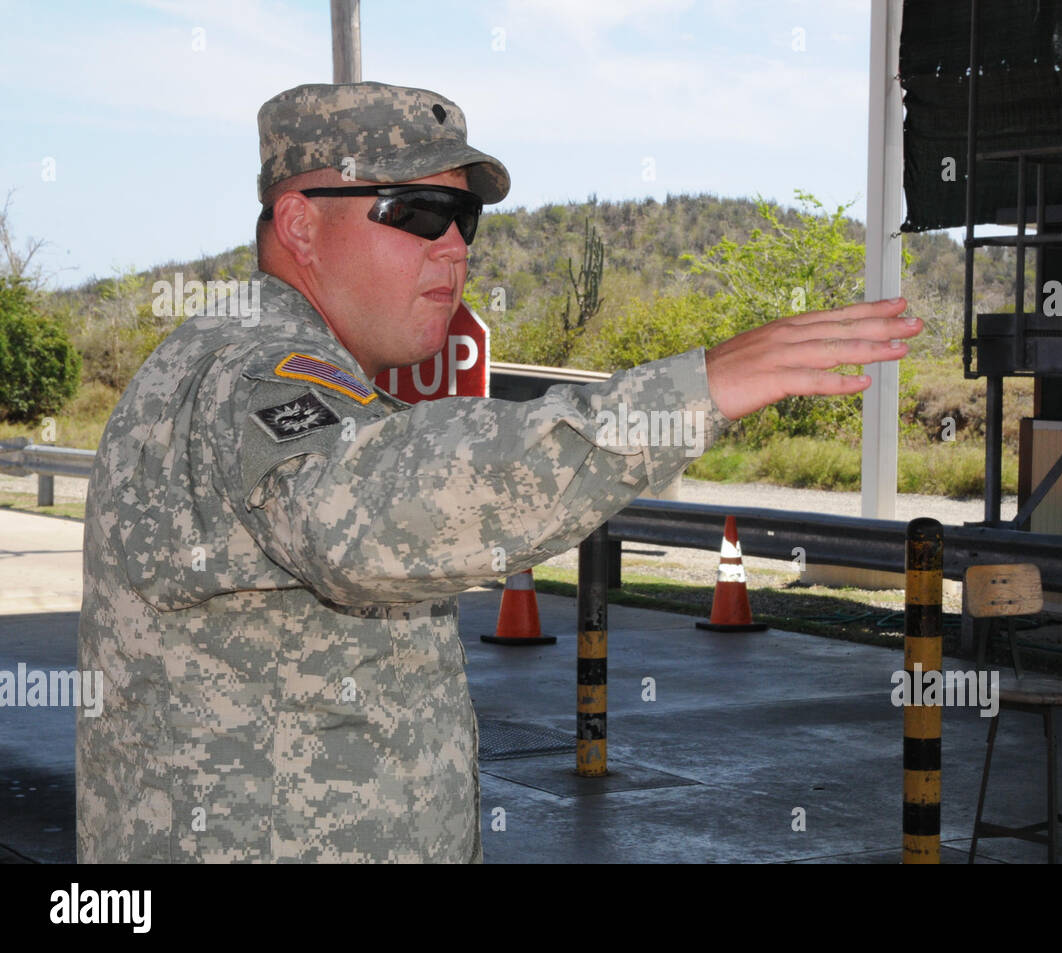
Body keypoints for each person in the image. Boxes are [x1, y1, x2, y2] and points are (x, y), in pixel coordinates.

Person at [76, 81, 922, 862]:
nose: (453, 249)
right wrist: (688, 392)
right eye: (416, 211)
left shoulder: (269, 365)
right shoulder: (247, 372)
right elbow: (374, 514)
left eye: (466, 220)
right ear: (300, 225)